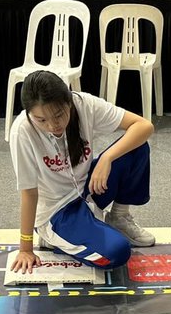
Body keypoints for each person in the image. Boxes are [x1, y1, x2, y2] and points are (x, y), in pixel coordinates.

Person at [9, 70, 155, 274]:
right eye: (41, 120)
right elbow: (29, 193)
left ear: (68, 101)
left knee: (136, 147)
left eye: (59, 115)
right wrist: (25, 248)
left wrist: (107, 158)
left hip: (88, 188)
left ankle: (119, 218)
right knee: (118, 252)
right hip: (58, 212)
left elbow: (144, 126)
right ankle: (54, 238)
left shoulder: (84, 104)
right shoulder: (22, 131)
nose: (52, 125)